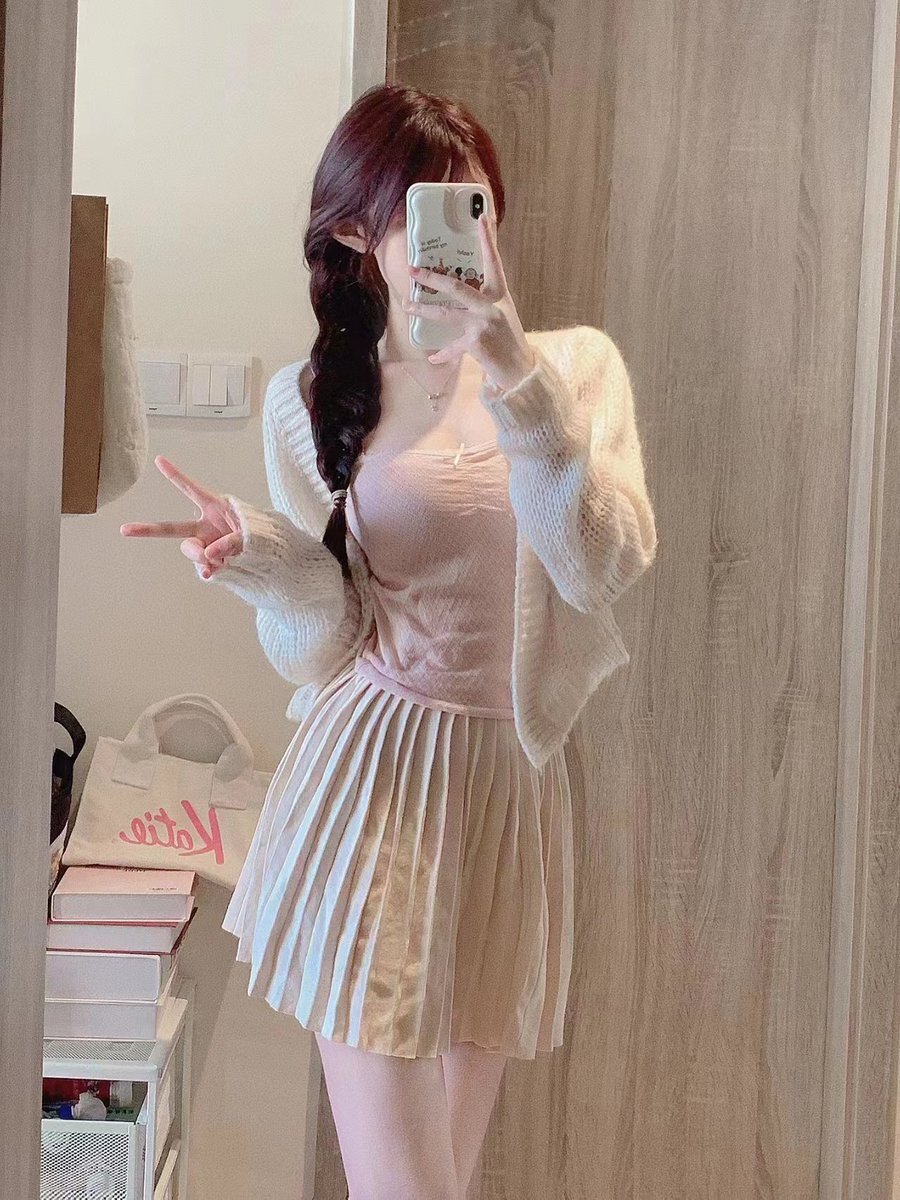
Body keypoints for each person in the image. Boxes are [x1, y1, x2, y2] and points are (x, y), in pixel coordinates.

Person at [121, 82, 657, 1200]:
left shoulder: (574, 371)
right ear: (361, 234)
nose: (461, 234)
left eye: (476, 206)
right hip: (372, 789)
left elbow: (602, 564)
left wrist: (515, 374)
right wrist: (263, 559)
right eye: (426, 209)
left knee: (442, 1180)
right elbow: (326, 644)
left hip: (505, 800)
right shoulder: (312, 397)